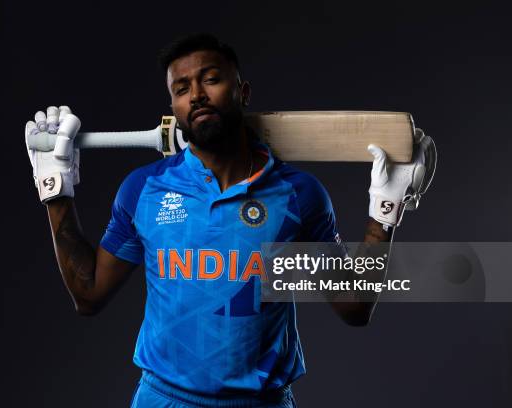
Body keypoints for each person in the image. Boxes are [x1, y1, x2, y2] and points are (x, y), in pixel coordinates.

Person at [24, 33, 435, 407]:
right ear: (174, 109)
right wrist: (56, 191)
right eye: (181, 89)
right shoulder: (143, 190)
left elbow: (355, 306)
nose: (196, 95)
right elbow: (88, 294)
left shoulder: (298, 194)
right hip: (165, 399)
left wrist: (384, 211)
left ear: (242, 91)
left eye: (210, 79)